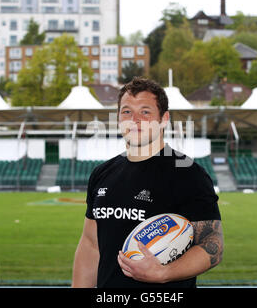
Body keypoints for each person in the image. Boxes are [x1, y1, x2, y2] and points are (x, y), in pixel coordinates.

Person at [72, 77, 223, 288]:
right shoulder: (102, 173)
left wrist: (164, 273)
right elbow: (90, 245)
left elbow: (212, 246)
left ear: (164, 119)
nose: (134, 119)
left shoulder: (188, 174)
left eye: (145, 112)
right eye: (126, 111)